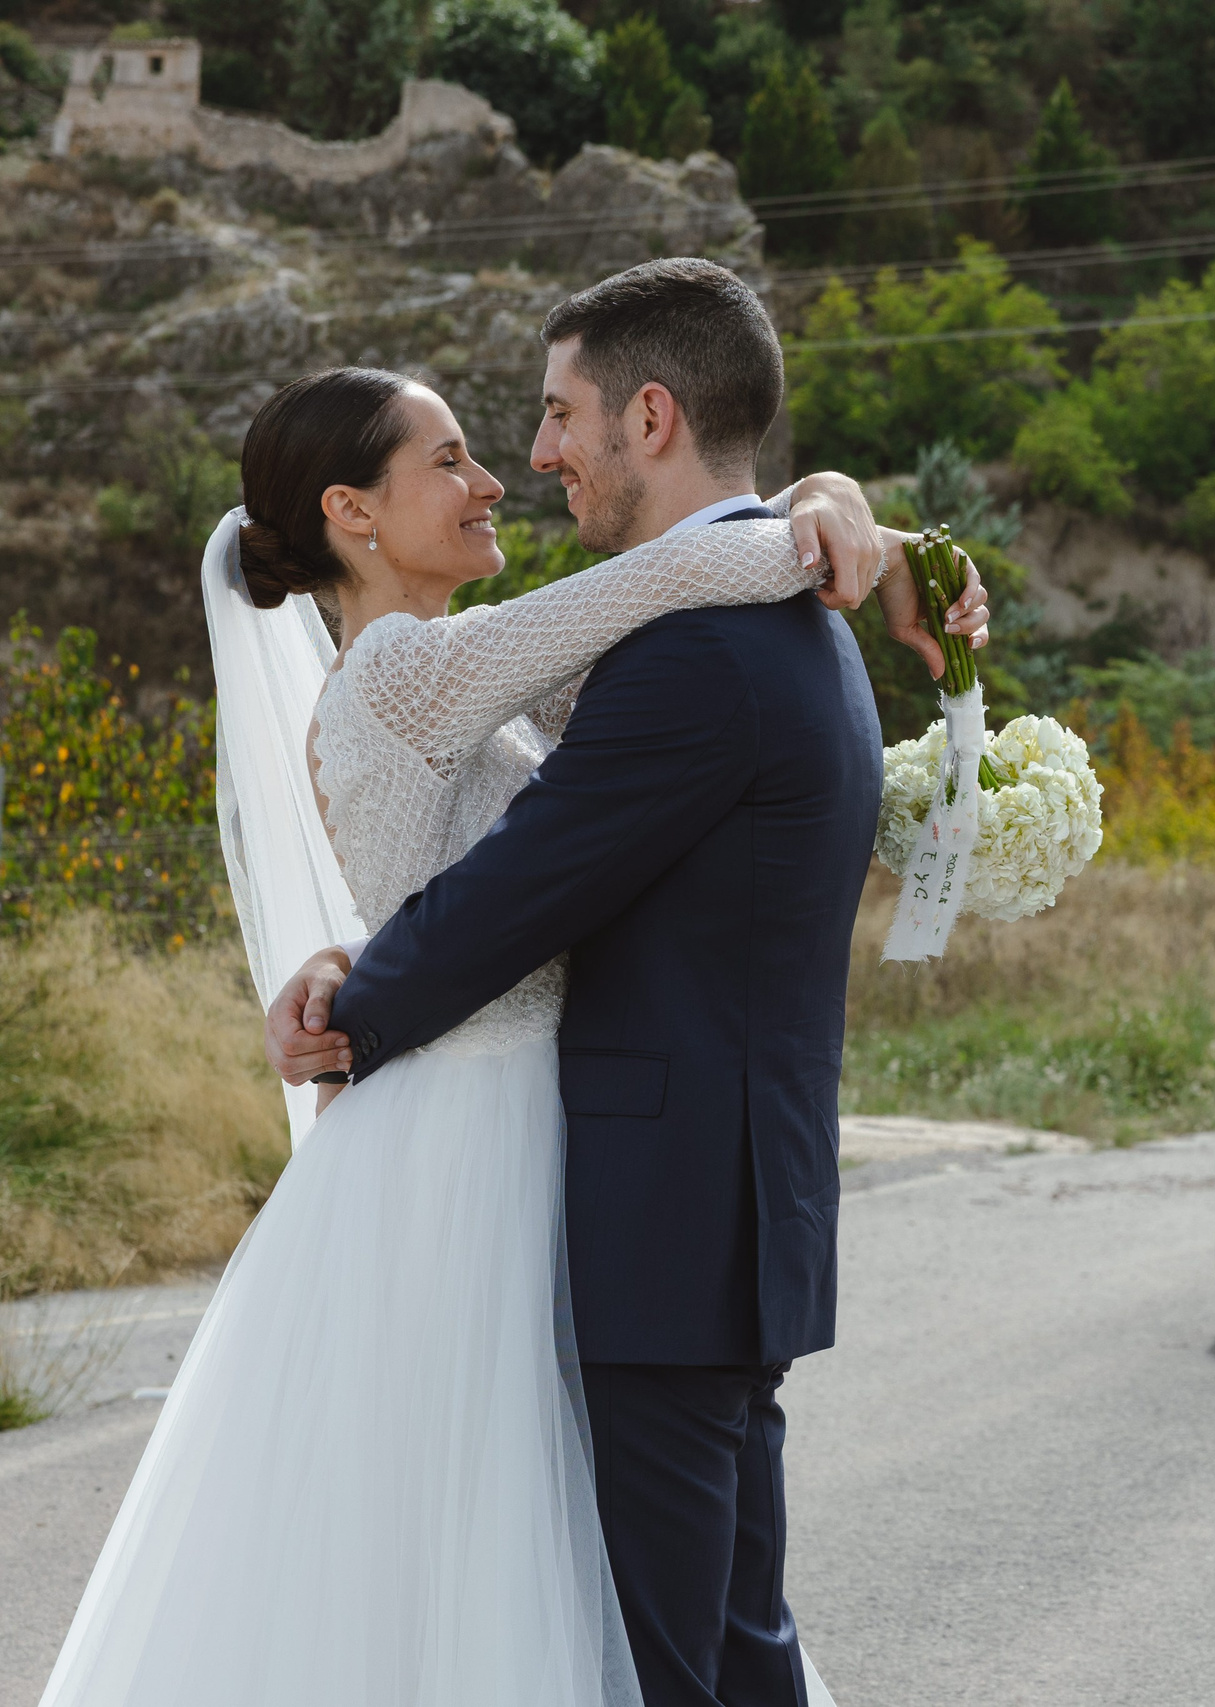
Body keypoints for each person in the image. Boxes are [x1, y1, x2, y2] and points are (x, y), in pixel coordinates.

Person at [40, 259, 984, 1707]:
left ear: (650, 417)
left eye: (540, 423)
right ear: (352, 514)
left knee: (576, 1585)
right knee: (529, 1571)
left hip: (583, 1165)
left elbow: (600, 711)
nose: (508, 471)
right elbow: (648, 613)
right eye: (454, 459)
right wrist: (833, 530)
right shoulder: (408, 672)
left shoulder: (520, 664)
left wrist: (839, 512)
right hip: (494, 1144)